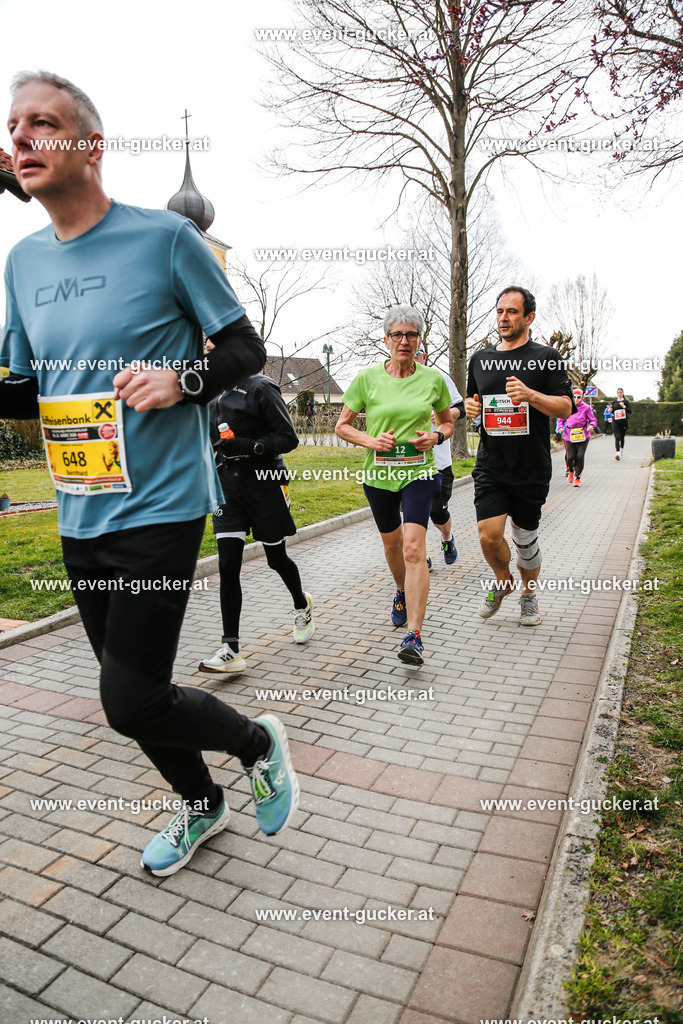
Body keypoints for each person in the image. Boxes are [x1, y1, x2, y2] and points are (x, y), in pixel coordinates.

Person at [0, 71, 299, 876]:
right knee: (135, 703)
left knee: (127, 699)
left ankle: (253, 740)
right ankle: (202, 805)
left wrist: (183, 380)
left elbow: (243, 348)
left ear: (89, 147)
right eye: (13, 124)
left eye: (43, 123)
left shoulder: (165, 239)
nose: (22, 136)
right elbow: (22, 387)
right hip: (77, 509)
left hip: (161, 507)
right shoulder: (20, 261)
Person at [335, 304, 453, 666]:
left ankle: (414, 636)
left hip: (418, 473)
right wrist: (372, 441)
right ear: (386, 340)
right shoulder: (367, 379)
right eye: (397, 335)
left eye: (411, 335)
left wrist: (435, 436)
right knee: (393, 546)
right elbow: (342, 425)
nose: (404, 341)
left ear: (420, 340)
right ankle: (400, 590)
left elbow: (448, 424)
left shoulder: (432, 380)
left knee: (414, 549)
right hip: (379, 477)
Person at [465, 287, 574, 626]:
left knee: (524, 541)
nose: (503, 317)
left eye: (512, 312)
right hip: (491, 464)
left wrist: (529, 395)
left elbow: (566, 407)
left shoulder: (546, 357)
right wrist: (471, 408)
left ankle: (529, 595)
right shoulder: (481, 359)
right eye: (499, 311)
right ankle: (503, 581)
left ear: (529, 317)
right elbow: (473, 402)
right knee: (488, 534)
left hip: (531, 466)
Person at [199, 365, 314, 674]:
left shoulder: (260, 387)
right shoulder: (210, 392)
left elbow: (288, 438)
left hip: (265, 482)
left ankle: (302, 606)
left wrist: (249, 446)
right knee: (227, 566)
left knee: (276, 558)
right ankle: (231, 649)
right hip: (228, 487)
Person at [415, 346, 464, 570]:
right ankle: (420, 556)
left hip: (439, 464)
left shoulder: (439, 378)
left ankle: (447, 539)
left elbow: (460, 408)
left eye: (418, 352)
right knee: (414, 514)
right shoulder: (393, 381)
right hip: (408, 464)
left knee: (437, 512)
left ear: (425, 355)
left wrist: (442, 416)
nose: (414, 356)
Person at [557, 387, 598, 487]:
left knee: (580, 456)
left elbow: (593, 420)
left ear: (582, 397)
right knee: (570, 456)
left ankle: (578, 477)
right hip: (569, 434)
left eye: (579, 397)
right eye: (574, 397)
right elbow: (561, 419)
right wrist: (560, 427)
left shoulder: (586, 407)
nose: (576, 399)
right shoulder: (568, 406)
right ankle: (571, 470)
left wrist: (591, 426)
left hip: (583, 434)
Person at [611, 387, 632, 460]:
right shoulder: (614, 402)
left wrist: (624, 406)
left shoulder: (626, 401)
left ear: (623, 393)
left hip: (623, 422)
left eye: (620, 392)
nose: (619, 394)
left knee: (622, 437)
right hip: (615, 421)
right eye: (618, 392)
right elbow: (612, 410)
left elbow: (630, 411)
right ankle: (618, 453)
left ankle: (621, 450)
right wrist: (610, 410)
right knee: (617, 436)